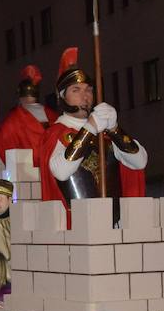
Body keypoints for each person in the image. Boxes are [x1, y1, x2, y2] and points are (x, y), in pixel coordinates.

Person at [37, 46, 147, 209]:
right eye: (76, 90)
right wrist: (90, 129)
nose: (85, 96)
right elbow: (60, 172)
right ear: (62, 97)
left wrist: (114, 129)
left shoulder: (106, 133)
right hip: (77, 224)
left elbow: (140, 161)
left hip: (114, 222)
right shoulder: (56, 133)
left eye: (89, 90)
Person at [0, 64, 59, 160]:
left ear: (20, 96)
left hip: (28, 172)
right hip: (54, 171)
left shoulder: (15, 117)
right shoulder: (54, 115)